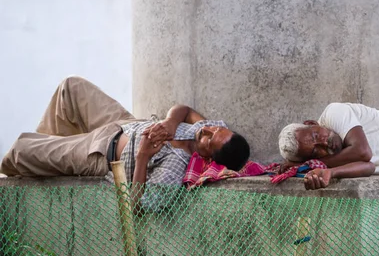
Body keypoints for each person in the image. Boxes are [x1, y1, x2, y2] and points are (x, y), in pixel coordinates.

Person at [1, 76, 250, 212]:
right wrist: (171, 122)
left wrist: (142, 156)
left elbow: (136, 206)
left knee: (20, 151)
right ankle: (49, 152)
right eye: (214, 129)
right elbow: (184, 109)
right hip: (122, 123)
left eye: (209, 138)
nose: (206, 129)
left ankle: (46, 154)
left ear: (208, 159)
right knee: (71, 88)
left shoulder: (176, 166)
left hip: (100, 152)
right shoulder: (209, 129)